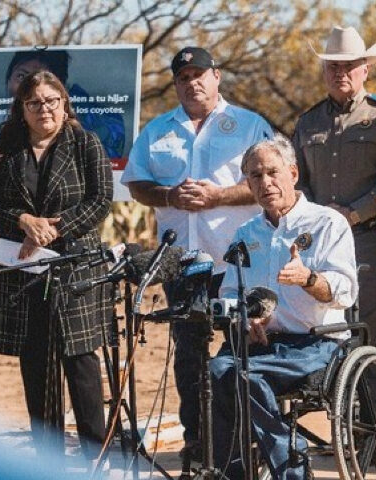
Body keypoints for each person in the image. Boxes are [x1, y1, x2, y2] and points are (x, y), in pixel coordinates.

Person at [121, 46, 272, 458]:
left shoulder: (247, 125)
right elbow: (136, 184)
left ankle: (243, 444)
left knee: (244, 351)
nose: (192, 83)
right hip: (183, 265)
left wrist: (220, 195)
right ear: (176, 84)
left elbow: (271, 181)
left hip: (237, 261)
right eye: (183, 76)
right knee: (189, 357)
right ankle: (198, 442)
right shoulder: (158, 131)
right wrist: (169, 194)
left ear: (217, 76)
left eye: (199, 74)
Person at [0, 71, 113, 464]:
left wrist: (52, 229)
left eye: (52, 100)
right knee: (36, 362)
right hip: (23, 267)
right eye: (34, 103)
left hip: (75, 267)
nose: (44, 109)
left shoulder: (85, 142)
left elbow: (100, 199)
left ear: (64, 102)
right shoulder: (4, 148)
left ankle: (95, 460)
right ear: (22, 109)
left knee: (81, 361)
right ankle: (48, 460)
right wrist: (23, 221)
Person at [211, 135, 358, 480]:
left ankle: (292, 472)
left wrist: (309, 278)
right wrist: (245, 318)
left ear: (292, 173)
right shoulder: (245, 233)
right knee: (216, 371)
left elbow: (345, 291)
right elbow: (231, 292)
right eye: (255, 176)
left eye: (272, 172)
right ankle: (234, 472)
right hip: (262, 343)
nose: (265, 183)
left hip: (316, 342)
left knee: (246, 377)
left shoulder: (327, 223)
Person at [292, 25, 376, 433]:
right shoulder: (307, 123)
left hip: (369, 240)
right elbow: (298, 180)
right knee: (326, 330)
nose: (341, 73)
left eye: (350, 66)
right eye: (333, 66)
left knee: (372, 333)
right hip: (320, 246)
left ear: (366, 70)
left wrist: (352, 215)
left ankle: (373, 434)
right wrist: (319, 218)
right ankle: (341, 426)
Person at [0, 49, 125, 161]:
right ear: (8, 81)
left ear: (61, 88)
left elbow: (99, 190)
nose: (28, 86)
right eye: (21, 76)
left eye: (40, 78)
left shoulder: (93, 126)